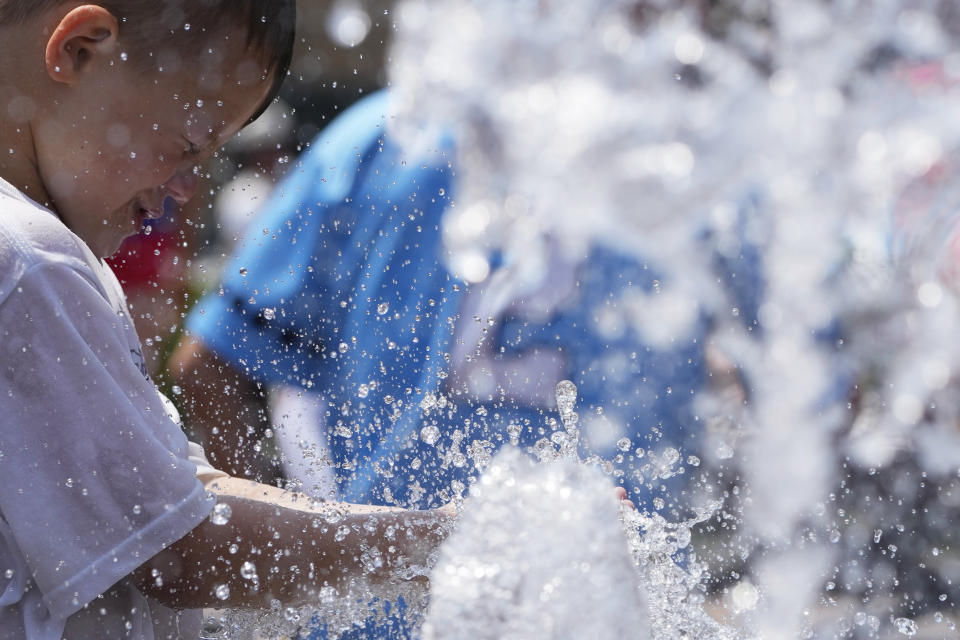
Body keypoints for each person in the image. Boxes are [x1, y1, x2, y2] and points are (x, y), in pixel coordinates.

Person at [0, 3, 466, 638]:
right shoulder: (30, 261)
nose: (189, 186)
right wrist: (451, 543)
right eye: (190, 146)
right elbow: (174, 549)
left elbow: (178, 494)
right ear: (80, 49)